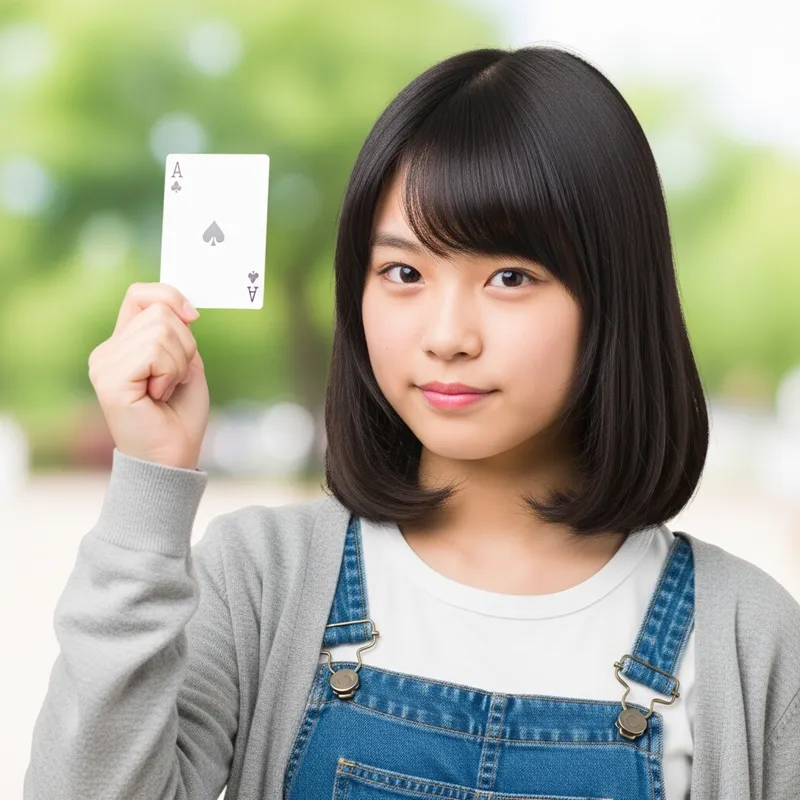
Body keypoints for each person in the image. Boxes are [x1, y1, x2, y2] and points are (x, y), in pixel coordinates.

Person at [24, 44, 800, 800]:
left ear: (615, 297)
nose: (447, 334)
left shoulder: (750, 636)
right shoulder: (262, 578)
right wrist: (149, 488)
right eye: (403, 272)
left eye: (509, 276)